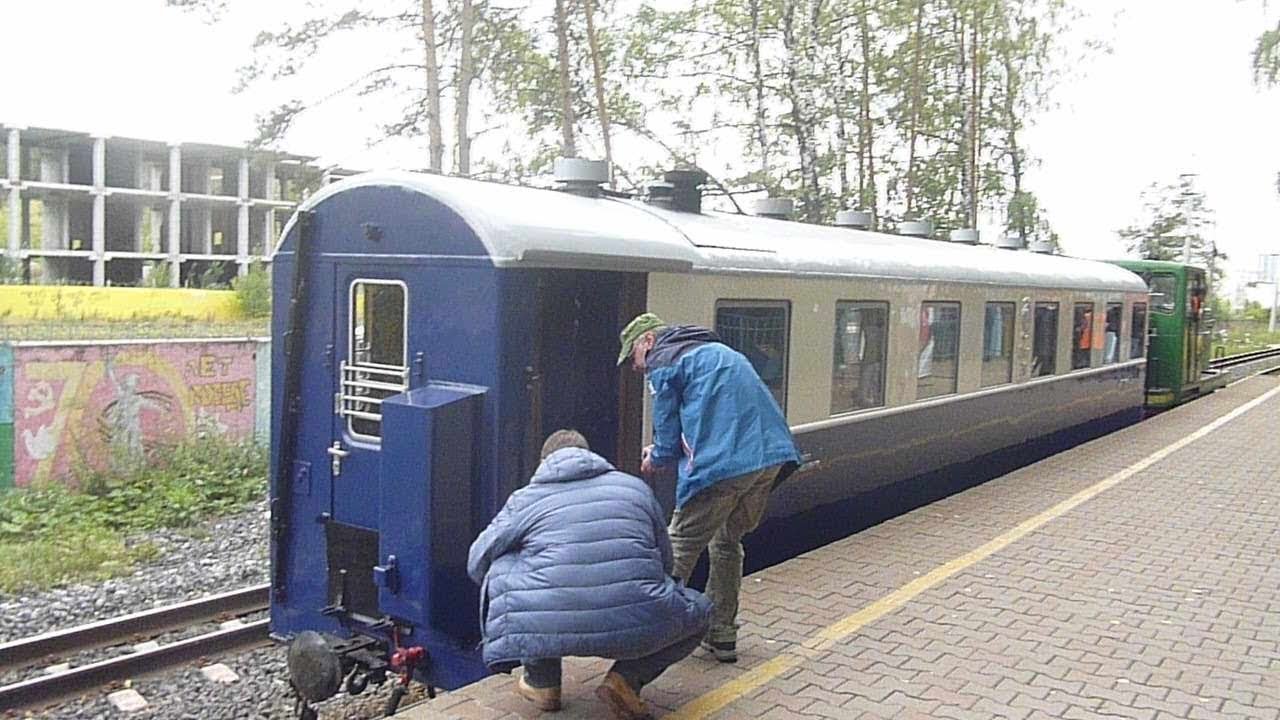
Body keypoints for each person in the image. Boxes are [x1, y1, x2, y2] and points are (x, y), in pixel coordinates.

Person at [467, 429, 712, 720]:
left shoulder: (525, 499)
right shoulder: (633, 487)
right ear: (590, 456)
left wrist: (522, 576)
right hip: (635, 618)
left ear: (545, 462)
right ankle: (626, 679)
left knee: (511, 565)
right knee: (702, 612)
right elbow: (666, 561)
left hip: (544, 620)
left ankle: (542, 683)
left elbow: (477, 560)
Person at [617, 313, 801, 664]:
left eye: (633, 358)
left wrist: (655, 457)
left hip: (724, 467)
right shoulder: (717, 350)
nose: (636, 368)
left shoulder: (665, 360)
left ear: (648, 342)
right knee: (727, 543)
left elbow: (667, 436)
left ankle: (645, 650)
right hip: (770, 460)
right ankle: (722, 635)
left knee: (678, 548)